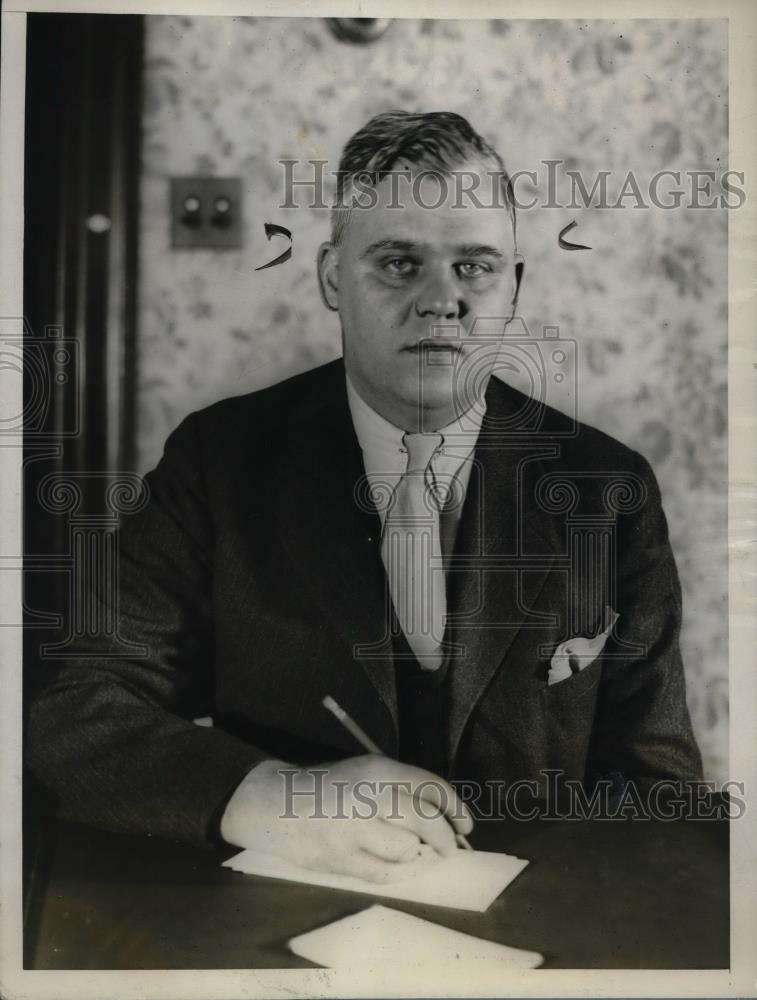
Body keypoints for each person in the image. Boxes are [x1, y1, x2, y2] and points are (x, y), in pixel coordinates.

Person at [26, 110, 702, 883]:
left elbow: (658, 789)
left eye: (475, 266)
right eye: (398, 263)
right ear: (329, 279)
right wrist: (280, 798)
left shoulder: (604, 488)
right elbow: (73, 703)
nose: (441, 301)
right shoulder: (218, 462)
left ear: (513, 287)